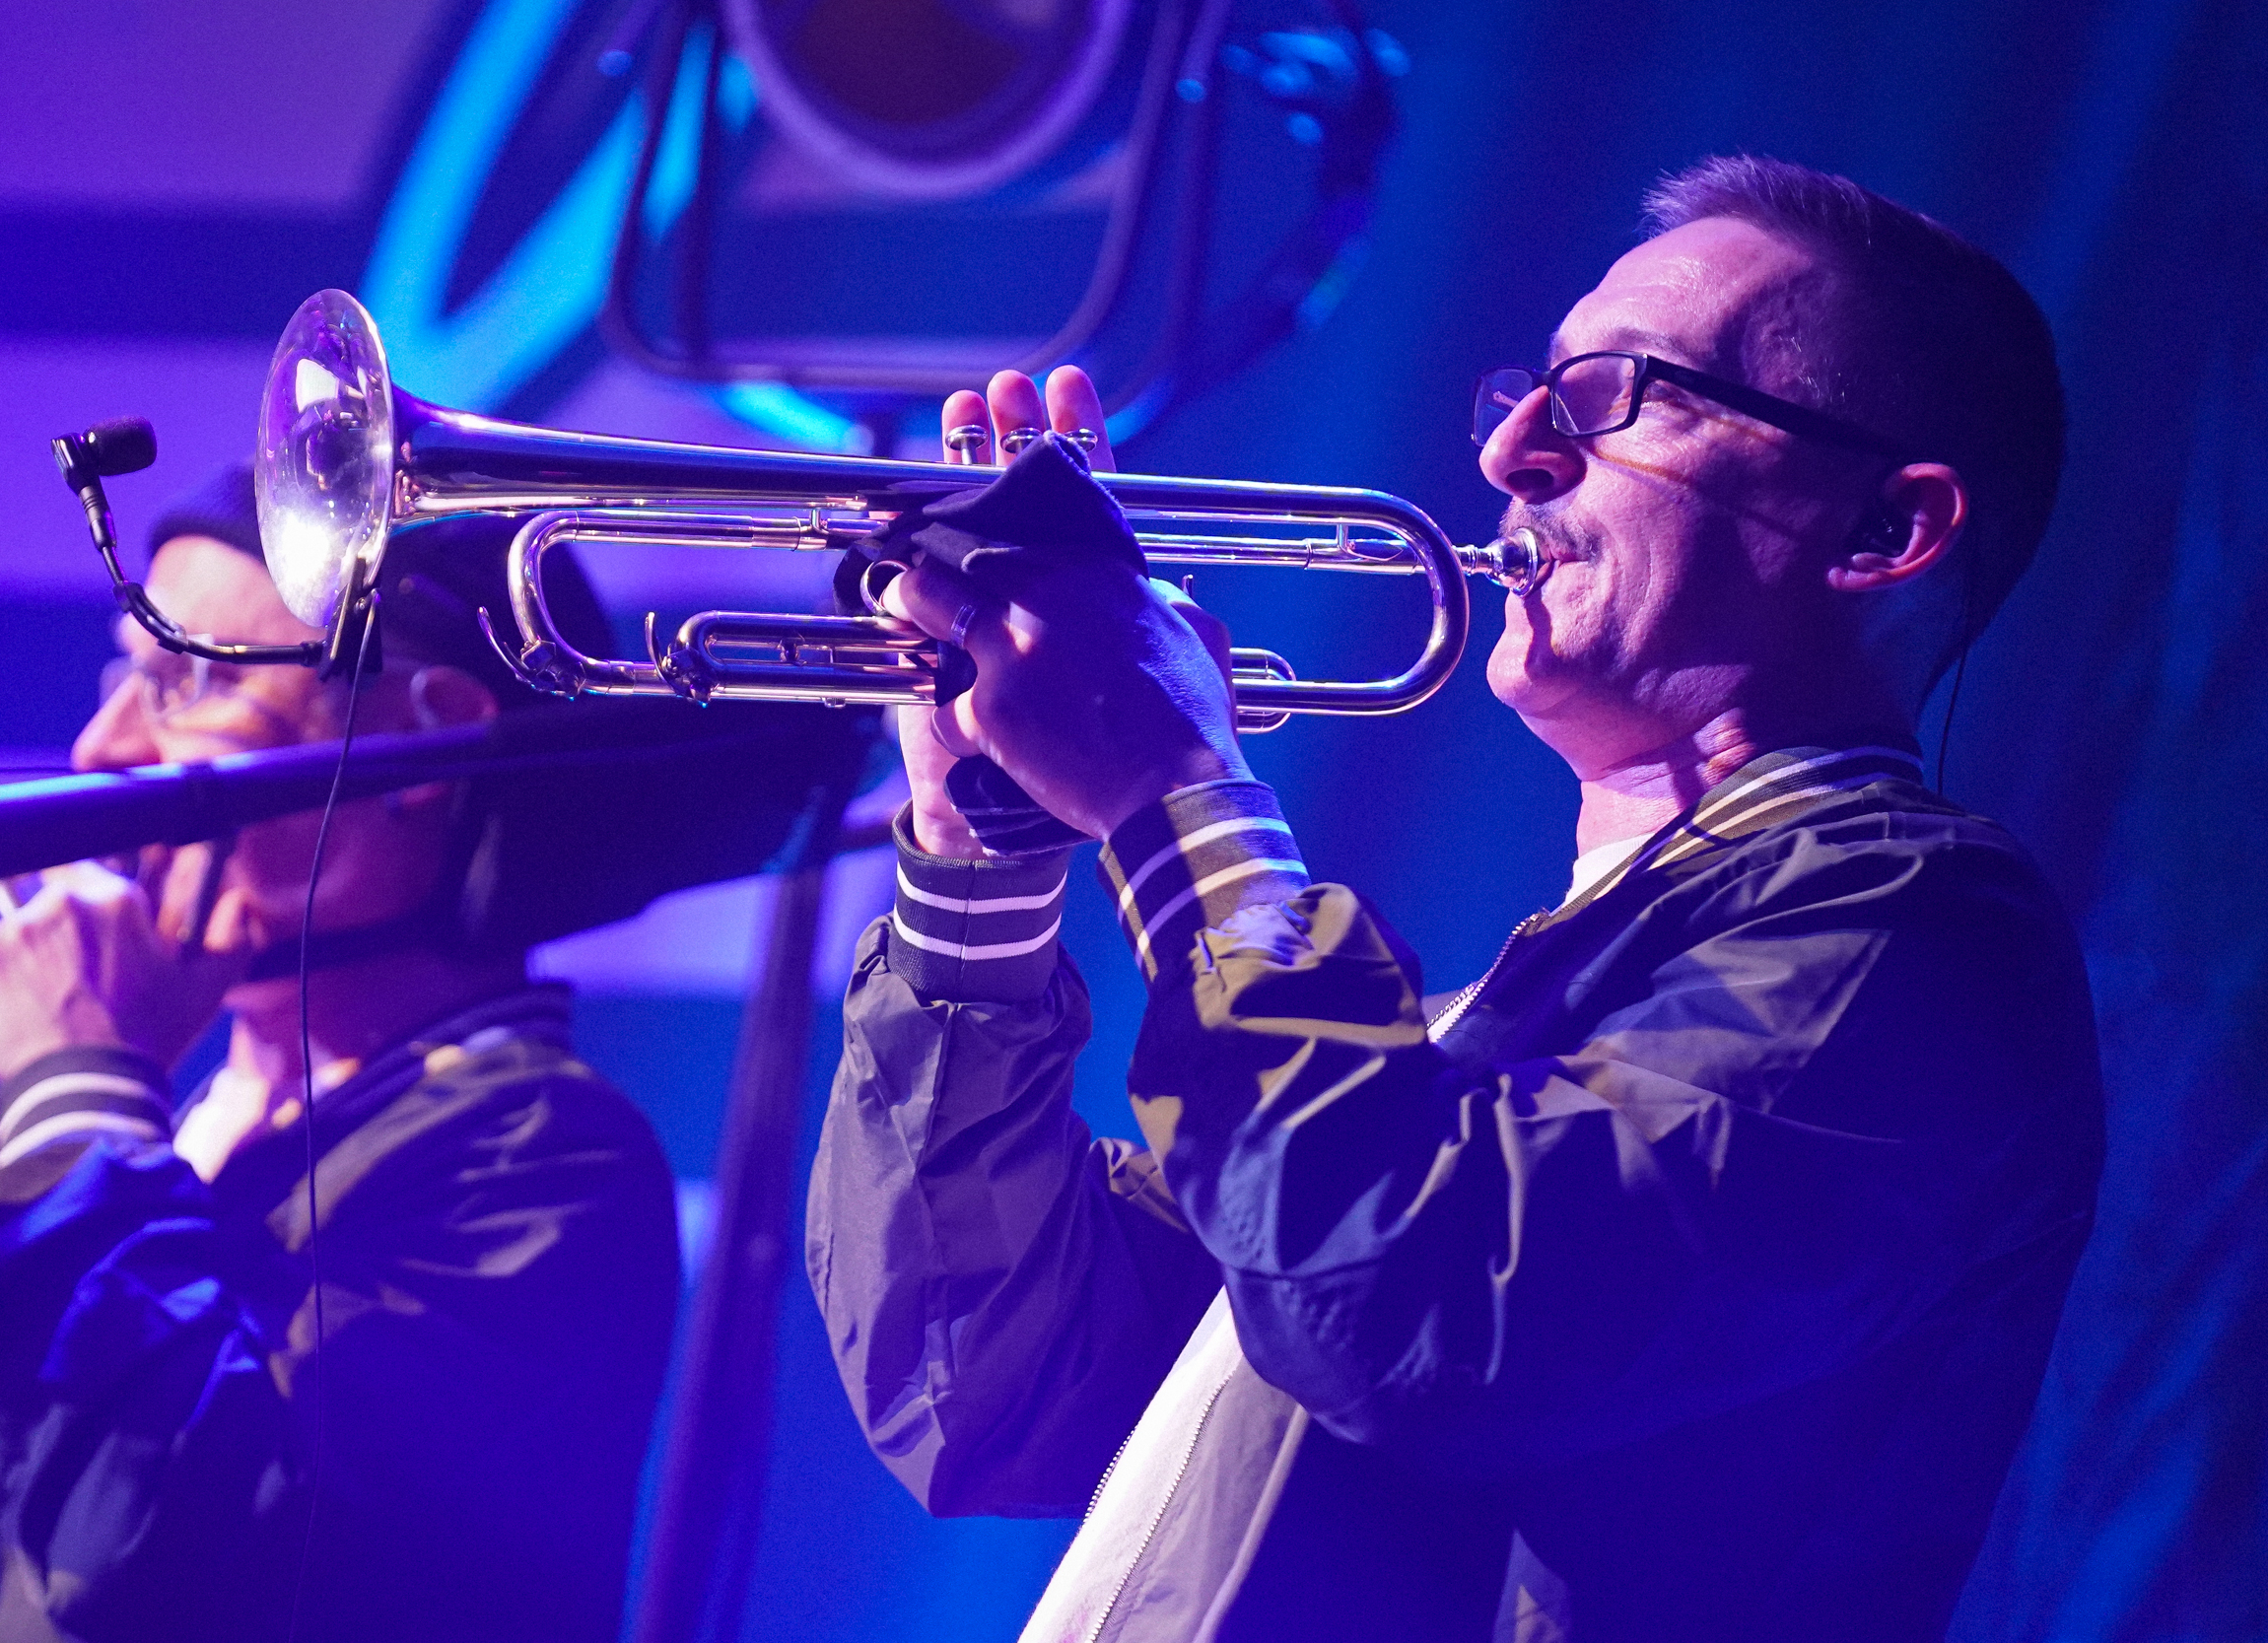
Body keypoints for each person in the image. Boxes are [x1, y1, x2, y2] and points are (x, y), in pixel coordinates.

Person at [808, 155, 2104, 1642]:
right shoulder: (1468, 1038)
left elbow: (1409, 1304)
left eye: (1628, 392)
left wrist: (1180, 790)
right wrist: (979, 872)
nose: (1514, 457)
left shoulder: (1929, 938)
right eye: (1531, 391)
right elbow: (987, 1392)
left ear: (1885, 531)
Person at [0, 473, 682, 1642]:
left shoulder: (546, 1156)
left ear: (423, 739)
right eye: (129, 674)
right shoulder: (178, 1108)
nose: (102, 745)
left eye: (196, 678)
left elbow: (159, 1556)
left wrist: (74, 1104)